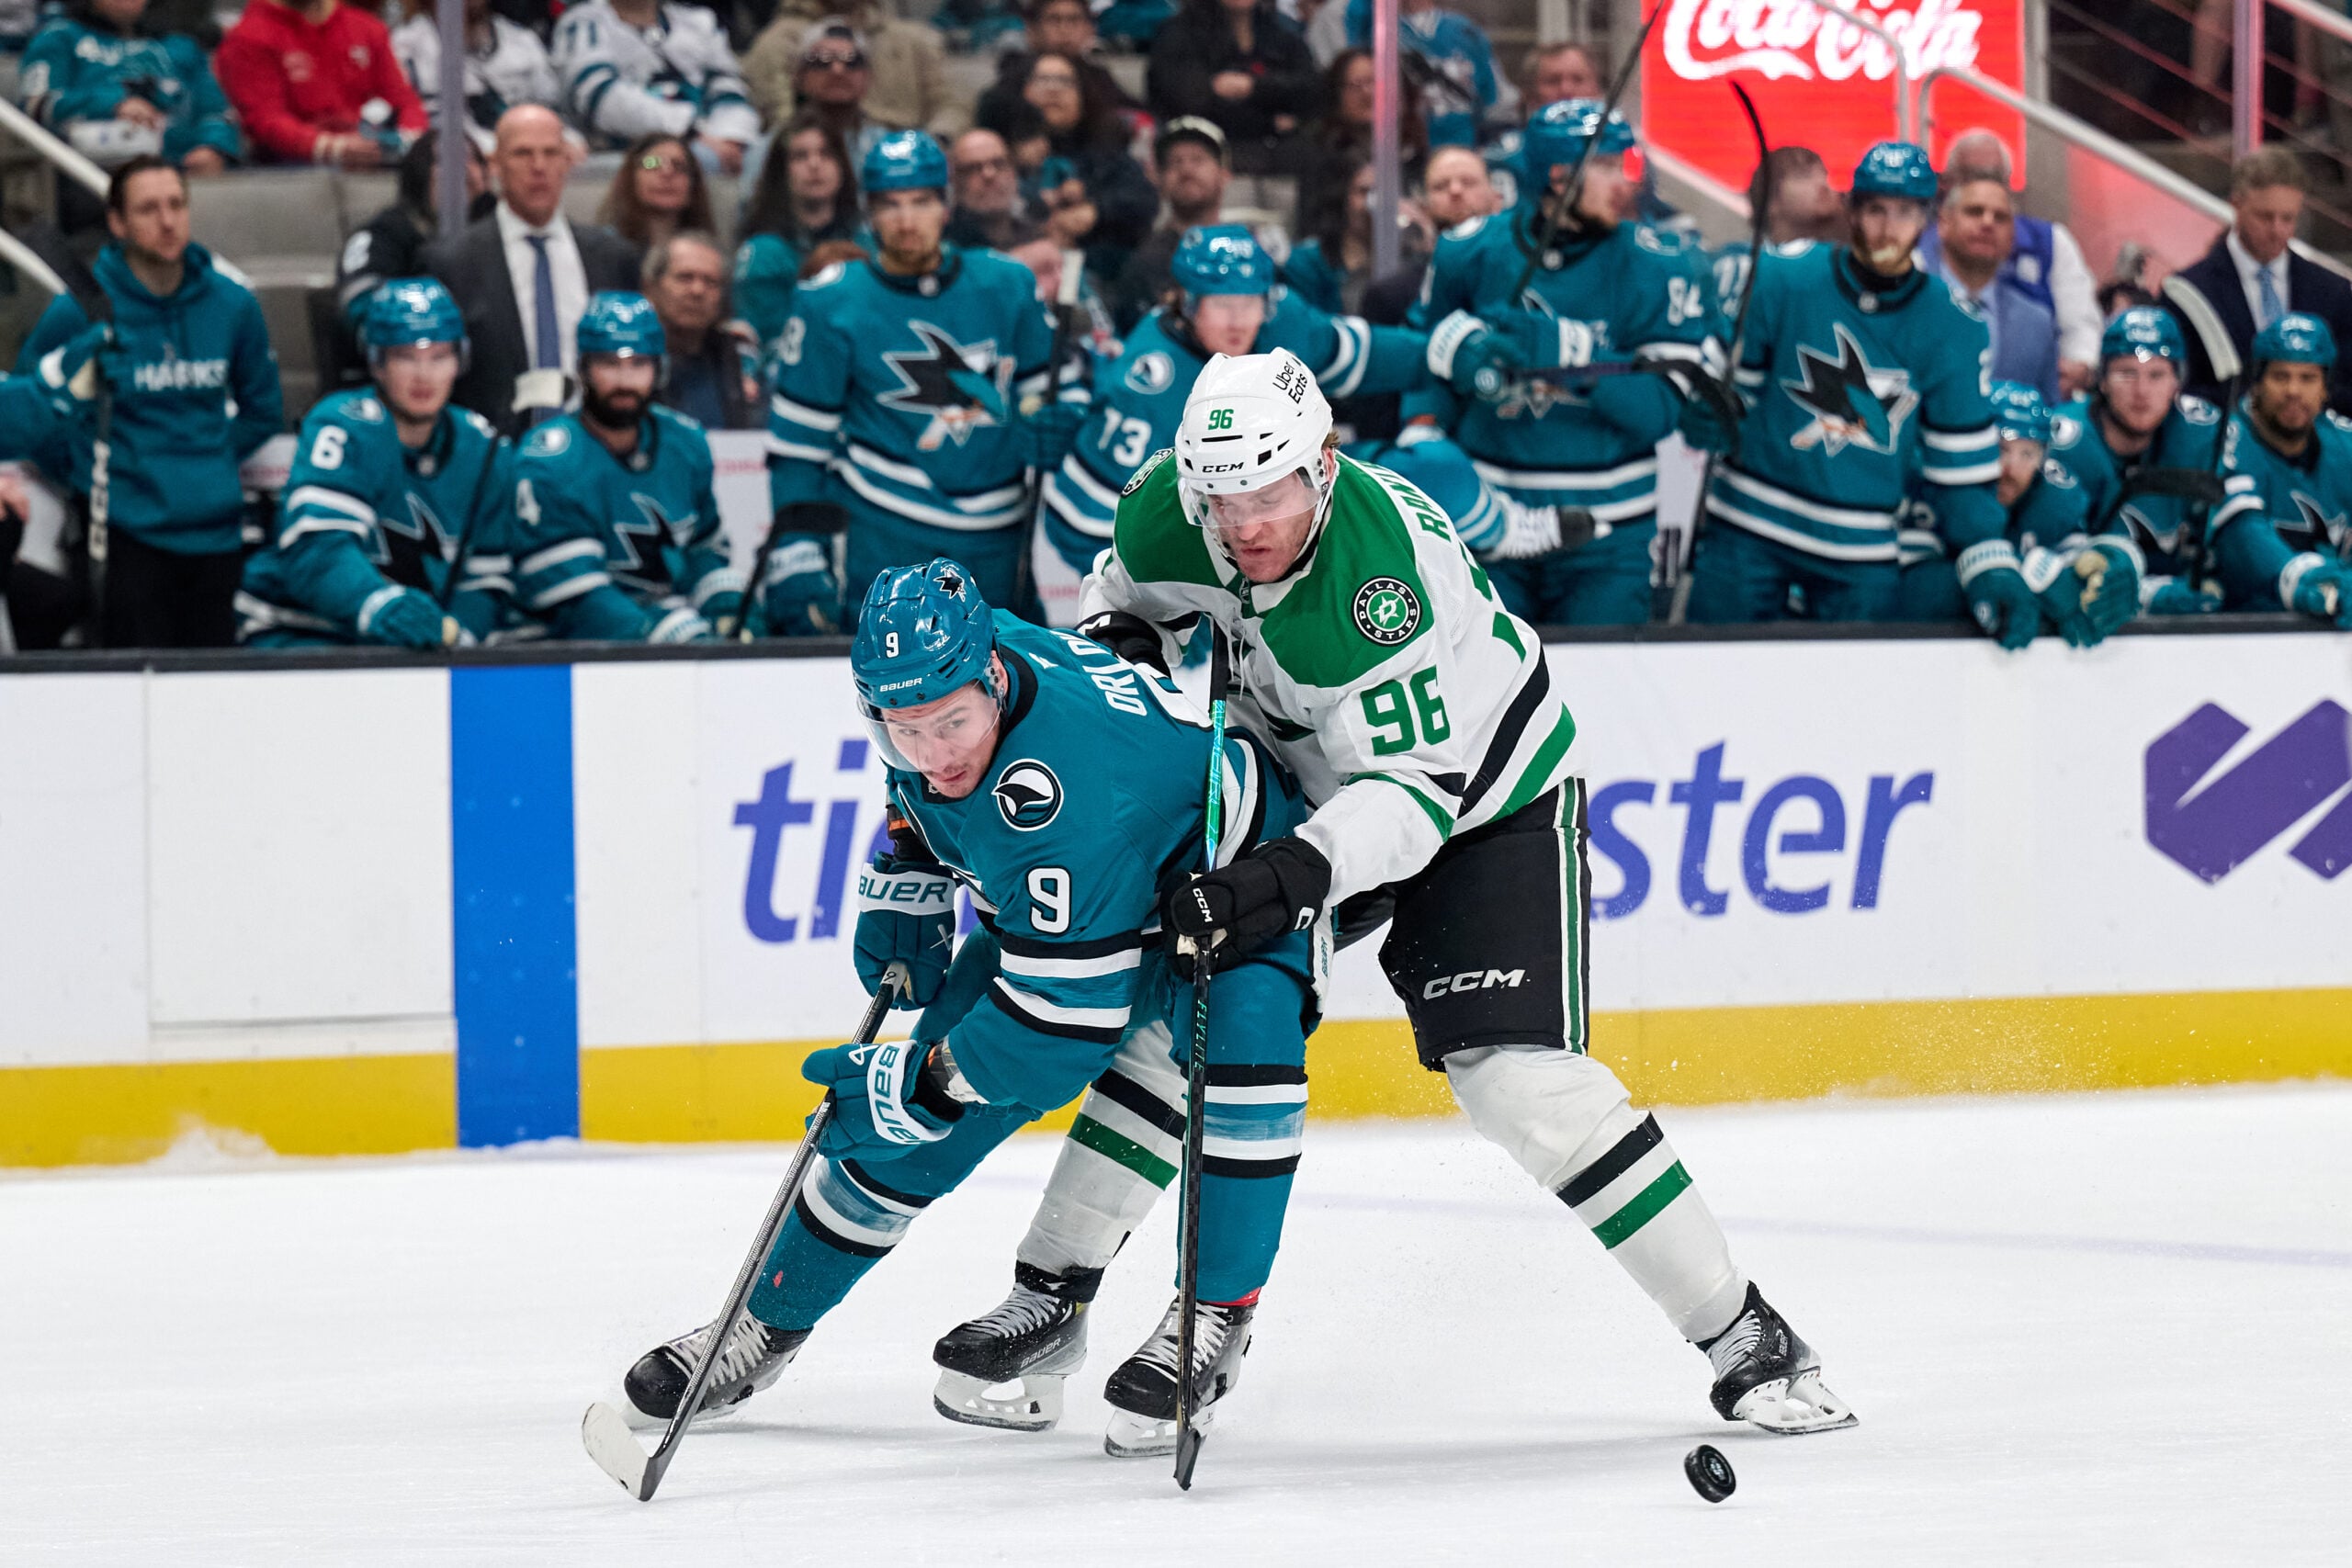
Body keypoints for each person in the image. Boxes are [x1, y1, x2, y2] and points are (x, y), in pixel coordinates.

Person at [937, 346, 1857, 1442]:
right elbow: (1122, 601)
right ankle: (1055, 1297)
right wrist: (1125, 649)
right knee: (1172, 1023)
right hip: (1306, 783)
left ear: (1323, 466)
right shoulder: (1169, 512)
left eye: (1269, 493)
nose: (1244, 523)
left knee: (1518, 1082)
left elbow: (1412, 798)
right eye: (1222, 498)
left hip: (1481, 805)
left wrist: (1279, 880)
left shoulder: (1382, 582)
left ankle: (1744, 1333)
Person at [617, 557, 1318, 1455]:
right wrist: (907, 864)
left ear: (989, 679)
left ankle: (1213, 1320)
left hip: (1242, 889)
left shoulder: (1066, 796)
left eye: (951, 724)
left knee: (1240, 1058)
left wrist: (923, 1081)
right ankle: (764, 1323)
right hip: (1099, 900)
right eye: (904, 729)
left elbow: (1060, 1035)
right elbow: (918, 784)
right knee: (904, 1120)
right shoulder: (967, 664)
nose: (934, 753)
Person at [1683, 141, 2030, 644]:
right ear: (1851, 211)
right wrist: (1709, 409)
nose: (1889, 228)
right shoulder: (1783, 276)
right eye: (1876, 210)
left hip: (1860, 553)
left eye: (1906, 212)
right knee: (1710, 689)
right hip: (1747, 534)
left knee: (1855, 713)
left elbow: (1960, 473)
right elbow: (1731, 397)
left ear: (1928, 219)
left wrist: (1988, 557)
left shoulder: (1955, 325)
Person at [1399, 102, 1711, 627]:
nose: (1625, 182)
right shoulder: (1468, 251)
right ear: (1559, 176)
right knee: (1483, 700)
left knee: (1603, 702)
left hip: (1609, 536)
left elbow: (1660, 411)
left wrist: (1575, 354)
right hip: (1490, 524)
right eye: (1608, 167)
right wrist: (1424, 435)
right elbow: (1424, 366)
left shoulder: (1661, 263)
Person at [1039, 224, 1425, 622]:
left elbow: (1349, 349)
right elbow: (1084, 525)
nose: (1239, 321)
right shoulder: (1152, 382)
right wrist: (1177, 604)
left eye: (1250, 302)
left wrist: (1437, 357)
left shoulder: (1280, 320)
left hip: (1262, 533)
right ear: (1188, 303)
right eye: (1222, 304)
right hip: (1206, 554)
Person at [765, 130, 1079, 618]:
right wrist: (799, 552)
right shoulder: (830, 302)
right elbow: (799, 447)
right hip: (885, 537)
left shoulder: (1006, 284)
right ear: (870, 212)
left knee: (1014, 686)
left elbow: (1059, 392)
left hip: (999, 541)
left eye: (921, 202)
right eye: (891, 205)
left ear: (946, 206)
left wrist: (1057, 423)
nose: (907, 221)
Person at [17, 156, 281, 651]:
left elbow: (263, 409)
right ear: (117, 223)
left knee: (211, 697)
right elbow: (31, 409)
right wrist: (91, 472)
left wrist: (207, 461)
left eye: (177, 205)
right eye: (149, 209)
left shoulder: (232, 304)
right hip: (124, 538)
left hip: (216, 537)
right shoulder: (81, 310)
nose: (167, 221)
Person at [238, 278, 515, 649]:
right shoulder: (343, 425)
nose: (423, 375)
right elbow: (317, 552)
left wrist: (461, 636)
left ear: (459, 361)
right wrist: (378, 603)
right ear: (377, 363)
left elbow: (486, 576)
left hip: (412, 648)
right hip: (304, 629)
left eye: (438, 356)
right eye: (405, 356)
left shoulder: (482, 445)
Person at [2042, 306, 2348, 624]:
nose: (2142, 392)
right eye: (2126, 373)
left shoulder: (2202, 431)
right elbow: (2055, 549)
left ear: (2178, 382)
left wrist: (2294, 575)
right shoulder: (2068, 439)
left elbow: (2238, 522)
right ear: (2102, 380)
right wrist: (2143, 594)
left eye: (2157, 374)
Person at [512, 291, 741, 641]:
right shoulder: (548, 460)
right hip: (569, 648)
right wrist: (655, 633)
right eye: (609, 363)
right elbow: (577, 601)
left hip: (666, 628)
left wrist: (721, 597)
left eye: (638, 364)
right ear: (583, 368)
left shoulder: (686, 442)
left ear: (658, 368)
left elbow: (703, 547)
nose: (624, 380)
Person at [426, 106, 643, 437]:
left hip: (596, 453)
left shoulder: (614, 259)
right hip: (493, 457)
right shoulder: (452, 263)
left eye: (551, 153)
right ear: (495, 164)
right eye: (522, 154)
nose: (539, 167)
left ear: (568, 161)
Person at [1894, 379, 2138, 645]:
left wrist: (2103, 576)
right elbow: (1908, 591)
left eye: (2027, 454)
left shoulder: (2055, 496)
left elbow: (2074, 574)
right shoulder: (1928, 488)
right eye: (2001, 450)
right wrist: (2027, 574)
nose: (2010, 470)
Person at [2163, 147, 2352, 416]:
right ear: (2236, 205)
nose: (2278, 230)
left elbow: (2346, 385)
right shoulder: (2188, 292)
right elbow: (2179, 387)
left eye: (2288, 218)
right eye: (2265, 216)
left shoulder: (2333, 292)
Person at [2206, 312, 2352, 622]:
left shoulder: (2344, 443)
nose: (2293, 391)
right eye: (2280, 376)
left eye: (2308, 378)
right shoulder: (2225, 440)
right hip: (2235, 633)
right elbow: (2242, 533)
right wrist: (2303, 577)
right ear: (2256, 384)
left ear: (2325, 388)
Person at [1936, 130, 2101, 399]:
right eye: (1973, 177)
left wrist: (2079, 365)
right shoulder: (1916, 256)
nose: (1987, 222)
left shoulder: (2049, 247)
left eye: (1994, 178)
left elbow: (2081, 325)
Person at [986, 48, 1158, 278]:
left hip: (1097, 270)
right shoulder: (994, 151)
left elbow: (1143, 199)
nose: (1054, 90)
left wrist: (1096, 211)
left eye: (1065, 82)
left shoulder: (1106, 149)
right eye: (1042, 80)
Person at [18, 0, 239, 178]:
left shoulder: (182, 46)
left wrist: (215, 147)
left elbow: (219, 111)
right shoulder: (59, 38)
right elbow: (35, 107)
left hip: (181, 170)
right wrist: (113, 104)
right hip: (95, 176)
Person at [336, 132, 491, 376]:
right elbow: (363, 311)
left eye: (470, 159)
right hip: (408, 377)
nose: (461, 169)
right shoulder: (383, 235)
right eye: (445, 160)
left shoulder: (503, 232)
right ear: (419, 173)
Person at [551, 0, 758, 175]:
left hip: (712, 144)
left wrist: (731, 137)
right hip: (631, 160)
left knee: (763, 158)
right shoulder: (582, 24)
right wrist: (693, 133)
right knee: (688, 162)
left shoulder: (700, 21)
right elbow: (601, 99)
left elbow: (729, 87)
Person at [215, 0, 425, 167]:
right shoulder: (247, 37)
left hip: (372, 155)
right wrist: (332, 147)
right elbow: (265, 119)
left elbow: (404, 101)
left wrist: (408, 140)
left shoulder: (366, 28)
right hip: (292, 169)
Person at [1106, 117, 1254, 333]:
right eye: (1175, 162)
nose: (1186, 170)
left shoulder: (1251, 250)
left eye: (1198, 160)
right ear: (1158, 179)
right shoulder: (1143, 263)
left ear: (1225, 175)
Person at [736, 109, 866, 355]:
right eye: (800, 156)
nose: (814, 165)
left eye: (826, 154)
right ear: (782, 172)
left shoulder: (867, 244)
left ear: (842, 167)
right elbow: (762, 339)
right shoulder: (764, 253)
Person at [1924, 173, 2059, 402]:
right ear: (1944, 224)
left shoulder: (2036, 322)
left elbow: (2047, 410)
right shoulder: (1911, 305)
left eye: (2000, 217)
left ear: (2012, 237)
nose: (1987, 223)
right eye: (1974, 211)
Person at [743, 0, 963, 140]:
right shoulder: (779, 44)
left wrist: (934, 142)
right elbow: (783, 126)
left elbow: (952, 106)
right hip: (820, 158)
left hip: (908, 161)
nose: (838, 69)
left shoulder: (916, 41)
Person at [1145, 0, 1320, 175]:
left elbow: (1309, 89)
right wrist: (1270, 122)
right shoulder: (1178, 34)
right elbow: (1192, 103)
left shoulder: (1281, 32)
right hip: (1207, 148)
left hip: (1282, 152)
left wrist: (1253, 86)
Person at [391, 0, 562, 153]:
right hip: (442, 168)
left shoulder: (524, 42)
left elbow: (554, 114)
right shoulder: (402, 48)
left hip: (520, 162)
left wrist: (567, 140)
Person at [1295, 46, 1427, 241]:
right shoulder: (1320, 156)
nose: (1369, 93)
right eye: (1356, 85)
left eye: (1377, 83)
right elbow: (1313, 228)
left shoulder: (1418, 151)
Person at [974, 0, 1144, 141]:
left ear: (1090, 29)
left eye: (1074, 20)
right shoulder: (1015, 74)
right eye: (1054, 20)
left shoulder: (1098, 77)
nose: (1064, 29)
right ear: (1032, 29)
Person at [1344, 0, 1503, 148]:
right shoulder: (1375, 32)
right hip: (1403, 152)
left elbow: (1490, 97)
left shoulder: (1466, 30)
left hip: (1464, 148)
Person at [645, 231, 762, 430]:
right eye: (684, 277)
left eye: (711, 282)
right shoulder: (628, 360)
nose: (697, 291)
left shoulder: (738, 358)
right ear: (652, 286)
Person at [596, 130, 717, 255]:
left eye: (679, 165)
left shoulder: (708, 255)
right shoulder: (604, 248)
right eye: (652, 163)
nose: (667, 172)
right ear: (630, 177)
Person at [944, 125, 1036, 250]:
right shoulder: (944, 248)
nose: (989, 174)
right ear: (955, 181)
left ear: (1014, 171)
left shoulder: (1036, 233)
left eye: (999, 164)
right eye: (973, 168)